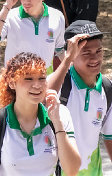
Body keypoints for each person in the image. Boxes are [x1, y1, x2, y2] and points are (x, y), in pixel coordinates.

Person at [0, 52, 81, 176]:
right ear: (12, 83)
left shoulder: (60, 114)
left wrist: (57, 123)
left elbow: (72, 170)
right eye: (28, 78)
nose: (37, 85)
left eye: (42, 78)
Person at [47, 21, 112, 175]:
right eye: (86, 53)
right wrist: (67, 59)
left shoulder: (107, 88)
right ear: (71, 55)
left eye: (99, 51)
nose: (95, 58)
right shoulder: (61, 83)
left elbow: (109, 136)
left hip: (92, 171)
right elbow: (42, 99)